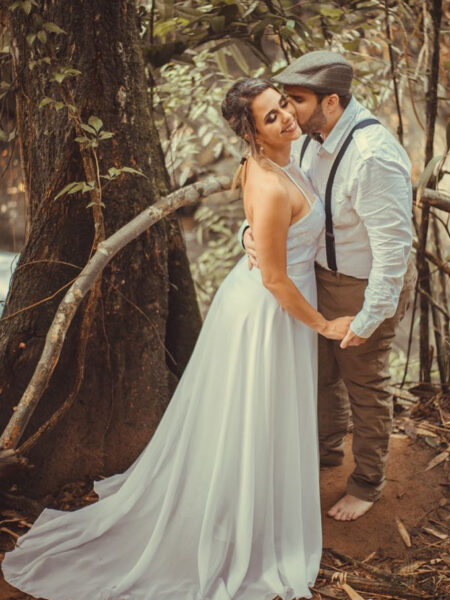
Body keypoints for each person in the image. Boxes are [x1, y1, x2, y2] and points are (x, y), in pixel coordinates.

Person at [2, 79, 353, 600]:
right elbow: (277, 278)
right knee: (254, 414)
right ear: (253, 134)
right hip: (269, 311)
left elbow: (259, 226)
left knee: (261, 414)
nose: (285, 117)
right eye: (271, 116)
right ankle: (234, 521)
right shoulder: (271, 181)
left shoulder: (274, 161)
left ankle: (258, 501)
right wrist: (326, 325)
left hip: (263, 299)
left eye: (283, 106)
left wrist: (246, 236)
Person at [242, 51, 414, 522]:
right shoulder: (302, 137)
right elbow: (275, 198)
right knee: (320, 375)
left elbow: (394, 251)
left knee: (365, 383)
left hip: (363, 284)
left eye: (295, 100)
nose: (287, 112)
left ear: (331, 101)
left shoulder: (372, 156)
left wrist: (369, 315)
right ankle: (327, 450)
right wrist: (248, 236)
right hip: (313, 278)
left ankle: (367, 483)